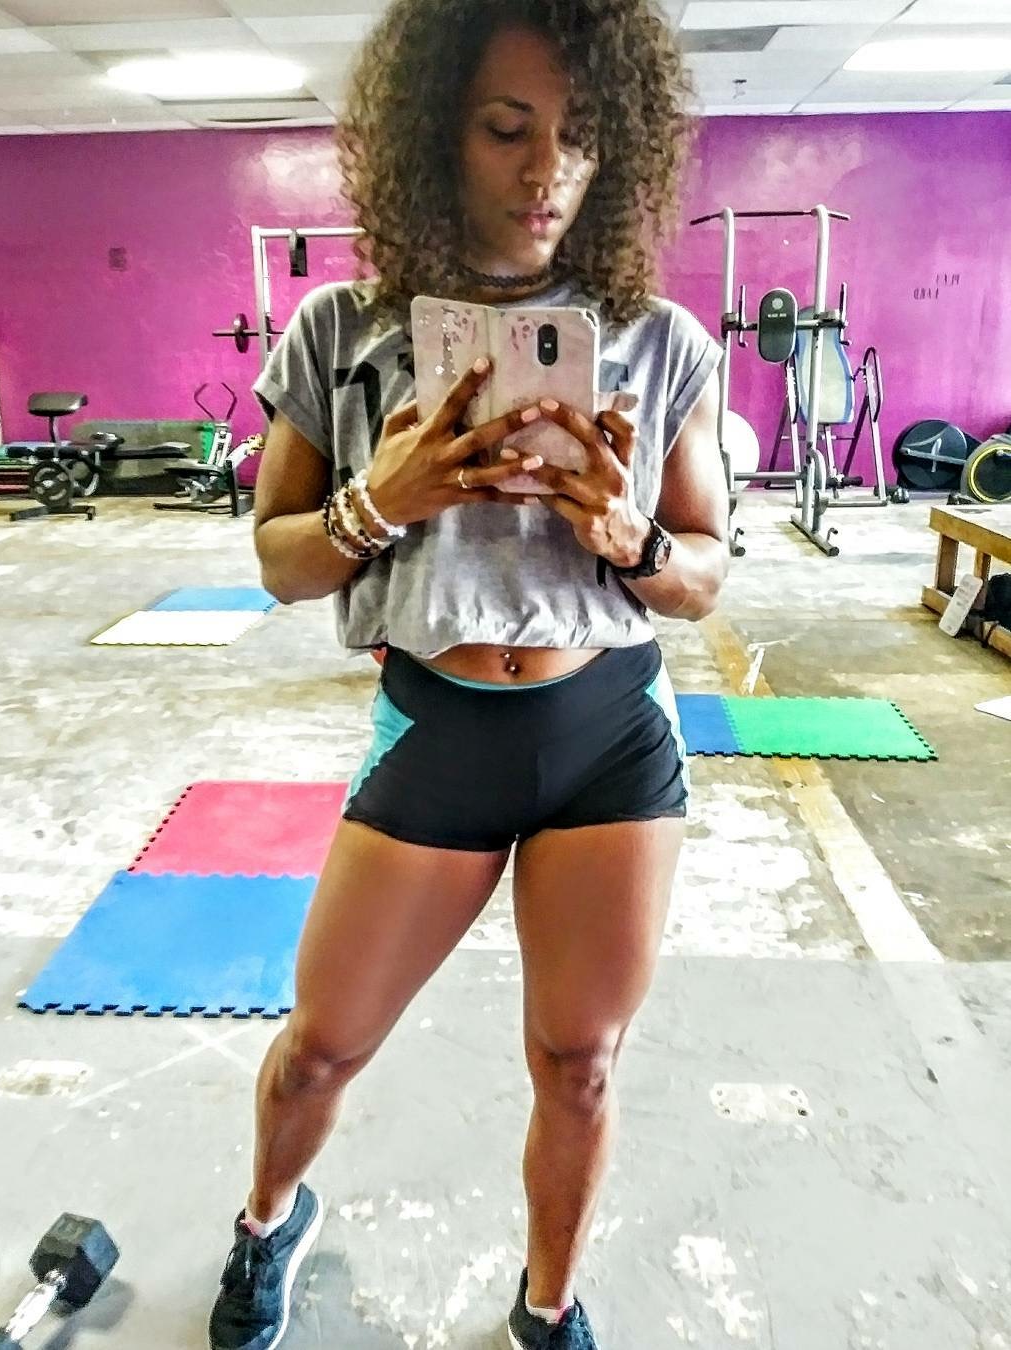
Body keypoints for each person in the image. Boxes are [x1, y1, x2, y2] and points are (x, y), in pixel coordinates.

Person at [208, 1, 727, 1346]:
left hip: (608, 732)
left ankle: (549, 1303)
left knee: (581, 1058)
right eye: (508, 129)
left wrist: (632, 539)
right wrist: (379, 501)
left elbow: (706, 570)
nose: (547, 170)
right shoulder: (339, 329)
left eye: (580, 137)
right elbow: (279, 561)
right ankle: (268, 1218)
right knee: (322, 1045)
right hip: (437, 730)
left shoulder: (659, 338)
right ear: (438, 134)